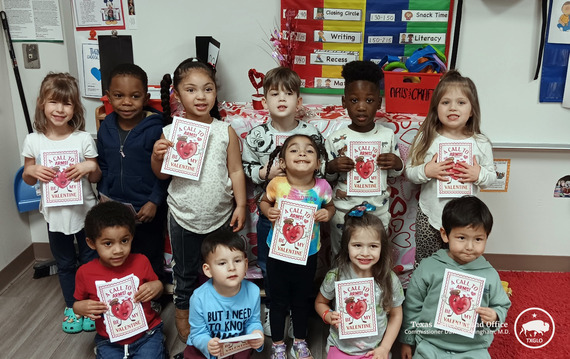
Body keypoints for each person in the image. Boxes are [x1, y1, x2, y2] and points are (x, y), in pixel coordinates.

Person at [151, 57, 247, 342]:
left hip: (219, 215)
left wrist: (241, 204)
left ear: (215, 92)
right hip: (183, 215)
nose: (201, 96)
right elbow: (161, 176)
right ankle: (183, 312)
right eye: (191, 90)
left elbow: (235, 170)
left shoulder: (223, 130)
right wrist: (157, 156)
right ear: (177, 95)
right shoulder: (170, 133)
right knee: (185, 271)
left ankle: (221, 311)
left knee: (223, 267)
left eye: (207, 89)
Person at [241, 66, 324, 336]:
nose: (281, 99)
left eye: (288, 94)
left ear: (298, 102)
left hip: (304, 218)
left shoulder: (311, 133)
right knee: (269, 264)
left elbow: (321, 169)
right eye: (274, 93)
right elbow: (244, 167)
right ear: (264, 101)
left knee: (300, 266)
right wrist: (266, 173)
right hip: (271, 215)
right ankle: (274, 308)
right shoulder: (257, 134)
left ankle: (294, 311)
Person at [21, 72, 101, 334]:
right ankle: (72, 305)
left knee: (89, 260)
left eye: (67, 103)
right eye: (54, 102)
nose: (59, 109)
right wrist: (33, 172)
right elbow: (27, 174)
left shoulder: (82, 138)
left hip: (85, 212)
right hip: (54, 215)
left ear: (75, 108)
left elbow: (97, 174)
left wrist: (88, 165)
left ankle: (90, 302)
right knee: (65, 263)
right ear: (42, 103)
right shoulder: (34, 140)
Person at [399, 196, 511, 358]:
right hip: (430, 344)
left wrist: (495, 316)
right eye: (461, 238)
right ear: (445, 235)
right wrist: (407, 340)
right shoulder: (428, 267)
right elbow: (412, 306)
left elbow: (501, 305)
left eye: (478, 239)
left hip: (474, 348)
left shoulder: (490, 274)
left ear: (487, 236)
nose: (469, 247)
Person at [404, 70, 496, 265]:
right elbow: (410, 171)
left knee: (461, 261)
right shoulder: (427, 138)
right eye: (446, 102)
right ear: (436, 108)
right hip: (430, 216)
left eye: (461, 103)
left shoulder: (480, 143)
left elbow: (491, 177)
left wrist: (478, 174)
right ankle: (423, 294)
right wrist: (426, 171)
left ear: (472, 110)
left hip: (465, 220)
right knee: (426, 262)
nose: (453, 108)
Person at [259, 134, 335, 359]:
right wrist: (267, 211)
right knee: (278, 301)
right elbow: (264, 201)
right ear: (282, 162)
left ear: (318, 163)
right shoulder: (277, 184)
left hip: (308, 254)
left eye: (309, 150)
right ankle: (279, 345)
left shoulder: (322, 187)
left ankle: (300, 342)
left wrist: (326, 214)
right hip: (278, 253)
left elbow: (330, 207)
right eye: (294, 150)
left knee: (302, 299)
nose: (302, 153)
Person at [97, 63, 169, 286]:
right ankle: (126, 295)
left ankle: (153, 297)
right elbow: (104, 165)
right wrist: (104, 193)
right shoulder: (105, 128)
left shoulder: (158, 129)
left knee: (149, 255)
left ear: (145, 97)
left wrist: (154, 201)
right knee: (121, 256)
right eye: (118, 96)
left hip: (147, 208)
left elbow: (166, 172)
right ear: (108, 96)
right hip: (117, 207)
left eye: (135, 96)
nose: (126, 102)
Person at [326, 60, 403, 259]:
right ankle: (337, 289)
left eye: (369, 101)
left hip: (378, 213)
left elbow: (396, 173)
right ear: (344, 102)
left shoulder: (387, 135)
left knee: (374, 259)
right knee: (341, 257)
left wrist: (396, 163)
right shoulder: (334, 139)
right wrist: (333, 166)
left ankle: (373, 290)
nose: (361, 107)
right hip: (343, 213)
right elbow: (325, 177)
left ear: (379, 102)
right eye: (354, 100)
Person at [74, 201, 166, 358]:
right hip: (109, 340)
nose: (118, 250)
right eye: (108, 243)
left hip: (147, 334)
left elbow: (157, 288)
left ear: (132, 237)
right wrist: (80, 308)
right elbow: (77, 304)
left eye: (124, 241)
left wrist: (157, 286)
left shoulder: (141, 261)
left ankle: (159, 344)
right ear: (91, 243)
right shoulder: (85, 273)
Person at [315, 204, 404, 359]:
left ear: (382, 248)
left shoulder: (389, 279)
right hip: (340, 348)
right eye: (357, 245)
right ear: (346, 246)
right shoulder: (335, 276)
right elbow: (320, 303)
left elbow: (396, 315)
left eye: (373, 246)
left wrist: (385, 348)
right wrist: (327, 315)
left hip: (376, 350)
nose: (365, 253)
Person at [183, 229, 264, 359]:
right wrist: (207, 344)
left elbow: (252, 322)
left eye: (237, 261)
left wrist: (256, 333)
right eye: (222, 263)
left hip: (236, 344)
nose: (231, 267)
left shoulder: (253, 291)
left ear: (246, 264)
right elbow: (198, 333)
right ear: (208, 270)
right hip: (208, 346)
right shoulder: (199, 297)